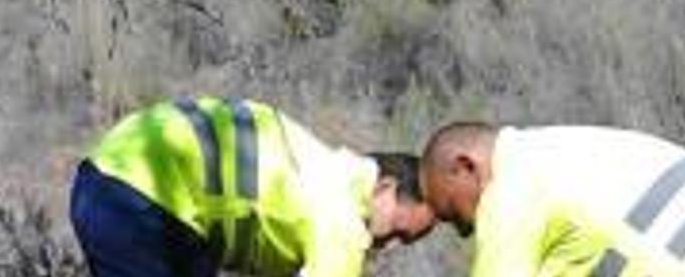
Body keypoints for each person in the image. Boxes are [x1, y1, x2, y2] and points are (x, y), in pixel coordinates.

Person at [70, 95, 436, 277]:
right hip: (141, 199)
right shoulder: (344, 222)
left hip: (105, 174)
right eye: (399, 233)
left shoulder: (318, 162)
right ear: (384, 188)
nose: (389, 245)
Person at [419, 122, 685, 277]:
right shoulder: (575, 147)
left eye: (456, 215)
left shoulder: (512, 188)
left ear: (465, 166)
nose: (465, 232)